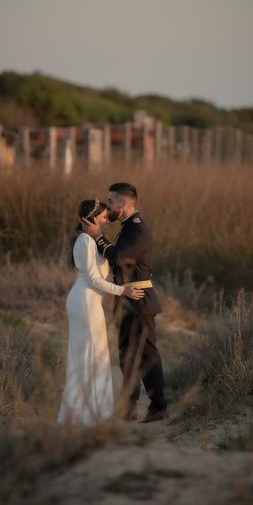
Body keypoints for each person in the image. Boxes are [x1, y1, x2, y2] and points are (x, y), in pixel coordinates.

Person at [81, 182, 168, 423]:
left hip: (140, 300)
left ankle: (159, 407)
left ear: (123, 203)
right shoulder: (127, 228)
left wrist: (98, 237)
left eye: (111, 202)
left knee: (147, 355)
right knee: (127, 356)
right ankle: (128, 408)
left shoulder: (138, 229)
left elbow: (119, 258)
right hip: (126, 299)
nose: (108, 206)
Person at [57, 199, 144, 427]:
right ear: (93, 217)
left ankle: (90, 411)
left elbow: (104, 269)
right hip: (84, 300)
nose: (107, 221)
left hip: (90, 300)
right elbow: (94, 279)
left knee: (94, 354)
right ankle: (85, 414)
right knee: (89, 354)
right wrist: (122, 290)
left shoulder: (92, 240)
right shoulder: (85, 241)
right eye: (104, 217)